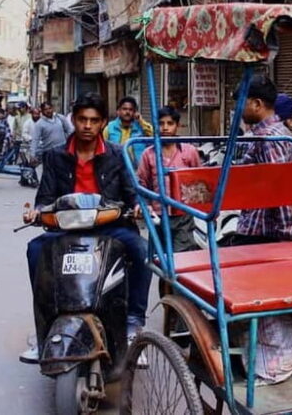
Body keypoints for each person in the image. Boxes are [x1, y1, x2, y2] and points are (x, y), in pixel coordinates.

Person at [21, 93, 151, 361]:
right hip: (66, 229)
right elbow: (45, 198)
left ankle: (133, 323)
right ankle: (44, 330)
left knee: (142, 250)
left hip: (110, 226)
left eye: (94, 120)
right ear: (74, 120)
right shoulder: (55, 156)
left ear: (103, 122)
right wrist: (37, 212)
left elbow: (132, 193)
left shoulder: (118, 154)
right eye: (82, 119)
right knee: (35, 251)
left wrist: (139, 206)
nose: (88, 126)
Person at [225, 75, 292, 245]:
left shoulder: (269, 139)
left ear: (257, 104)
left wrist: (285, 234)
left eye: (240, 103)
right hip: (258, 228)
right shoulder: (280, 132)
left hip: (260, 233)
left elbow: (281, 190)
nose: (237, 110)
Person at [136, 106, 202, 252]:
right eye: (161, 123)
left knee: (182, 257)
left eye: (170, 123)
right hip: (158, 215)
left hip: (183, 215)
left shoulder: (189, 152)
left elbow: (200, 181)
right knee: (160, 257)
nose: (165, 128)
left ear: (177, 126)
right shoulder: (148, 154)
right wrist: (145, 205)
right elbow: (142, 184)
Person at [103, 97, 153, 162]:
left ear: (135, 112)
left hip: (137, 166)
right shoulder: (110, 128)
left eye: (130, 109)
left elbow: (155, 135)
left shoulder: (141, 127)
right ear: (118, 111)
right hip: (116, 166)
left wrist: (141, 121)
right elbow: (103, 147)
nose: (127, 112)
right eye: (124, 109)